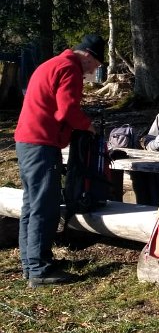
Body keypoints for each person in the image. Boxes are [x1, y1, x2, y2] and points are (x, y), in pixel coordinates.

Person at [14, 33, 105, 287]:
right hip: (41, 142)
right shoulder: (69, 69)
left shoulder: (51, 64)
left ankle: (31, 262)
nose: (92, 72)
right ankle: (39, 269)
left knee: (32, 204)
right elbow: (67, 110)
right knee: (46, 205)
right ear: (87, 56)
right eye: (95, 66)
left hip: (27, 140)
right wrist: (87, 126)